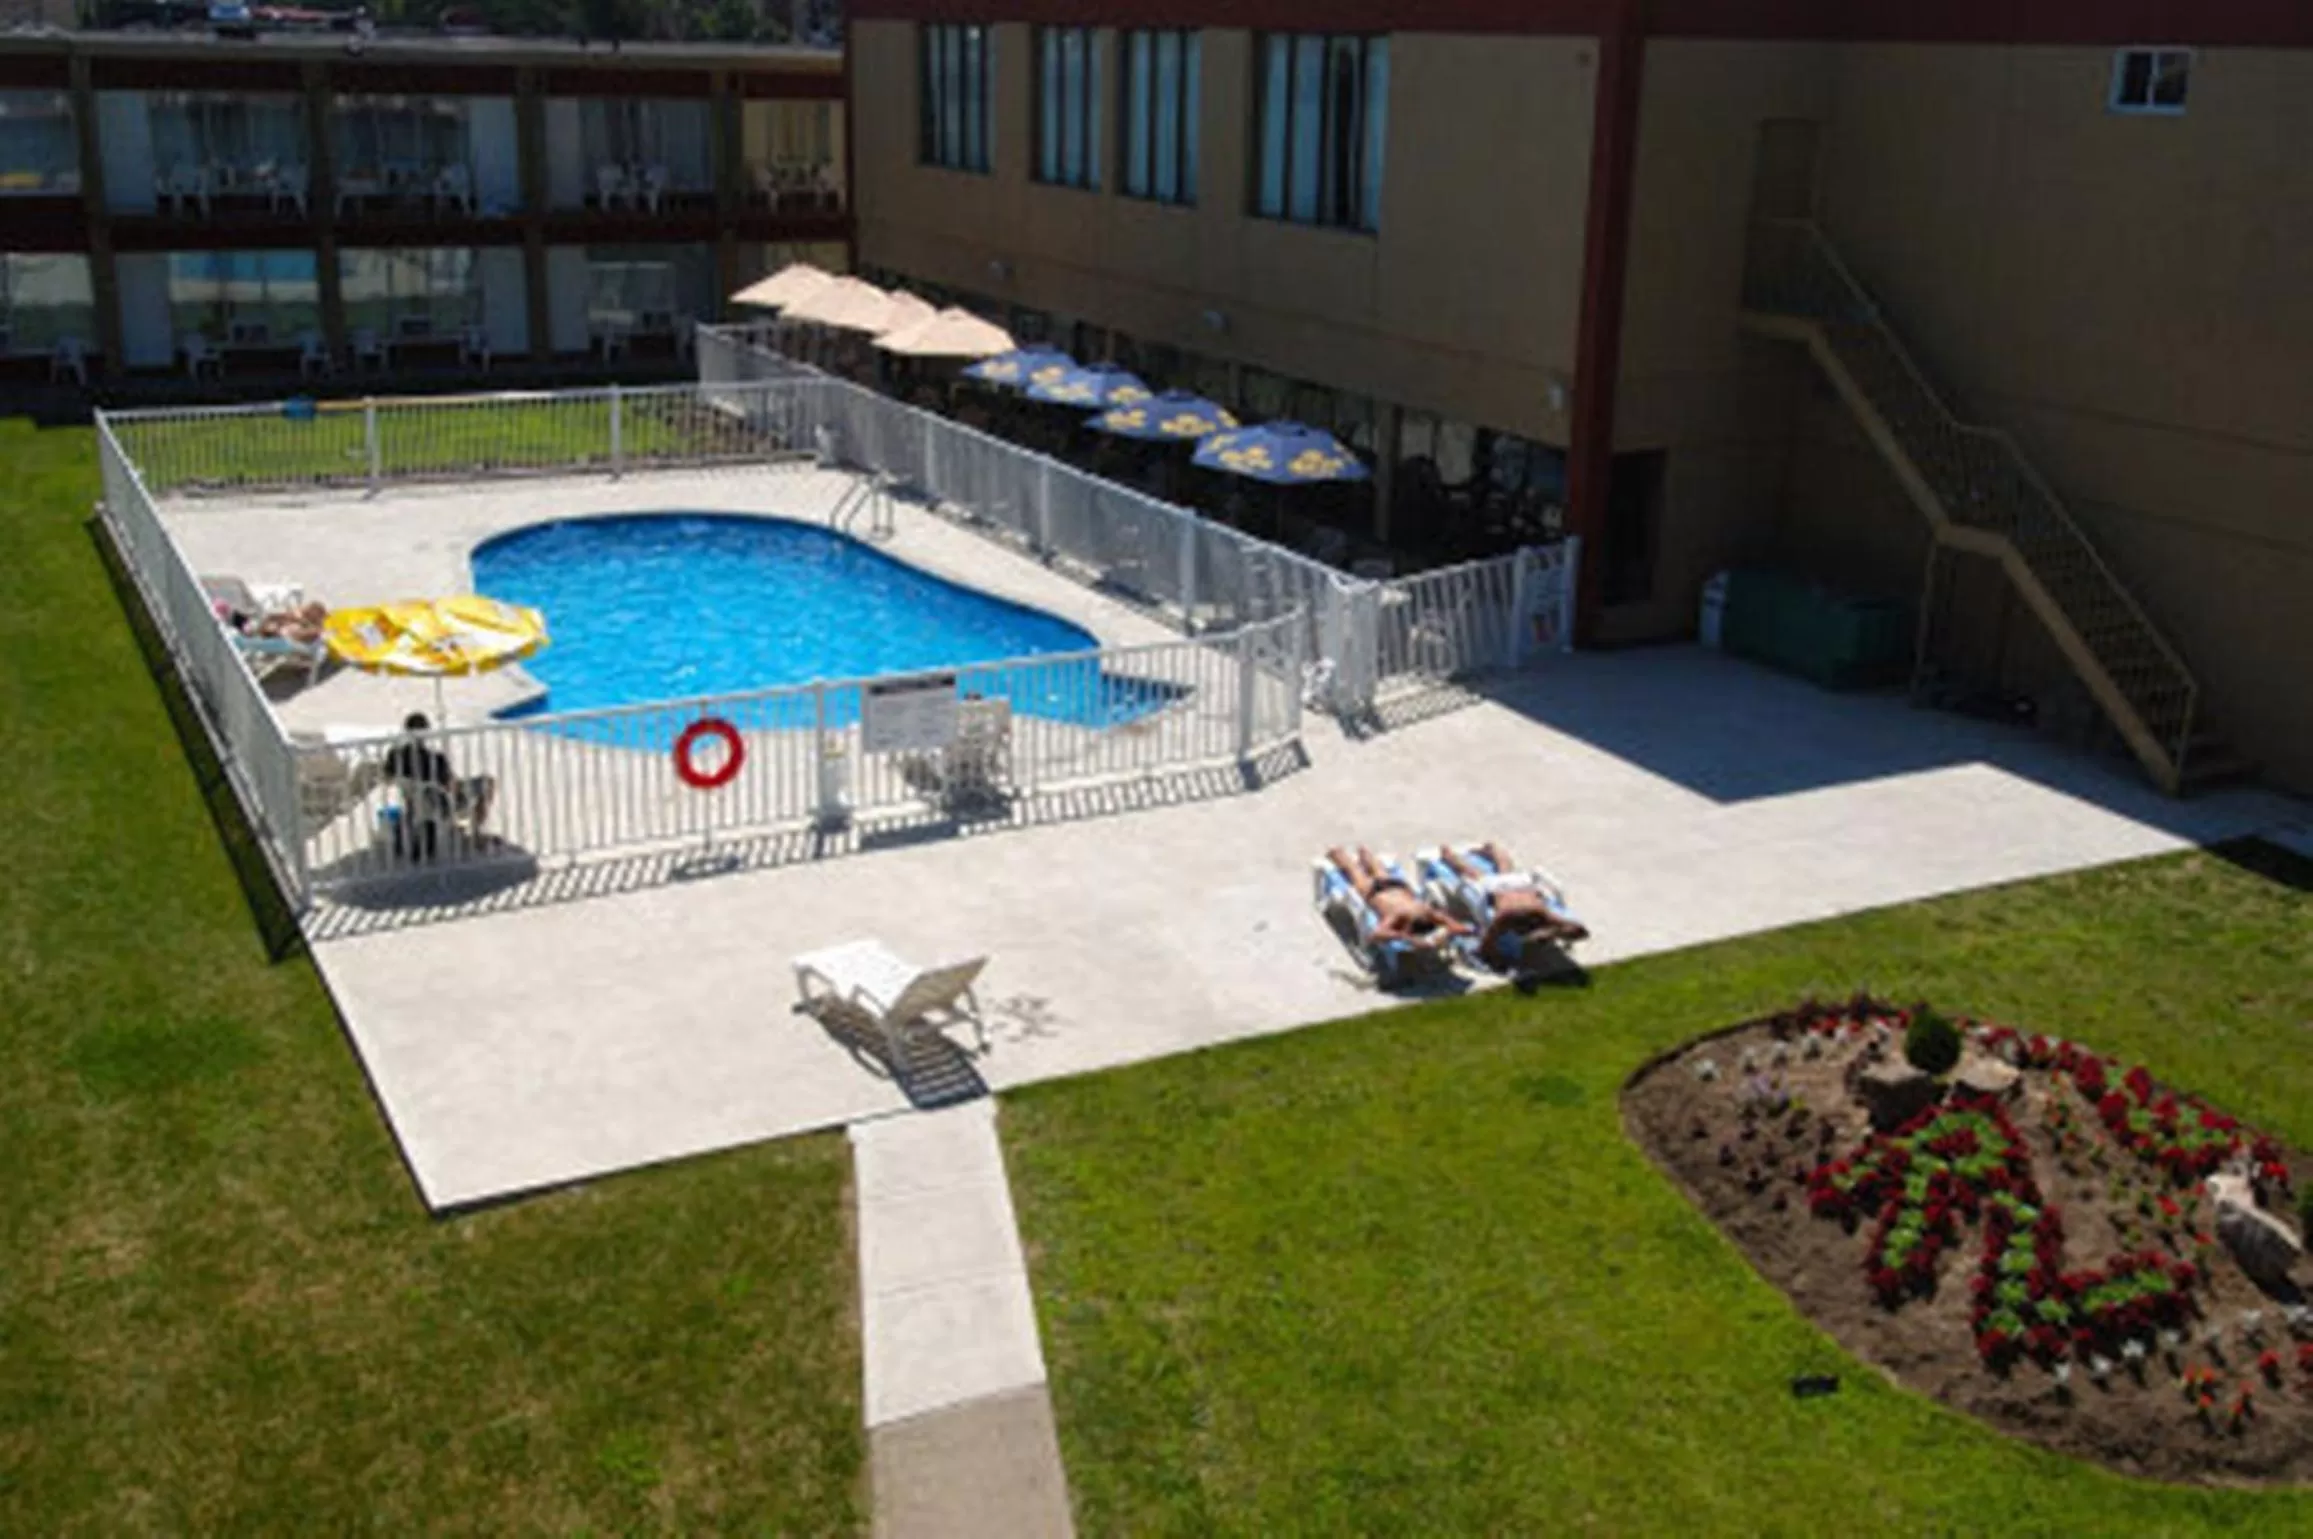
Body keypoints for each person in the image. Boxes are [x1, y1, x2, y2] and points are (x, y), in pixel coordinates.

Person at [1438, 842, 1589, 967]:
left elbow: (1580, 931)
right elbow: (1486, 946)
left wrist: (1550, 932)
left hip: (1513, 886)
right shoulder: (1515, 915)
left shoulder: (1537, 912)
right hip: (1510, 886)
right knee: (1480, 871)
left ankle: (1477, 851)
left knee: (1492, 869)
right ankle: (1453, 854)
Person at [381, 712, 495, 858]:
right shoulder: (435, 759)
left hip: (414, 803)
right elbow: (451, 786)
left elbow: (387, 778)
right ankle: (476, 832)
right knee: (488, 782)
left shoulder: (394, 755)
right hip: (443, 804)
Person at [1326, 846, 1471, 947]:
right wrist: (1402, 936)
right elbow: (1376, 934)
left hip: (1395, 886)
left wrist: (1448, 931)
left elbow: (1458, 927)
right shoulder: (1404, 914)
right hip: (1375, 891)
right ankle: (1337, 853)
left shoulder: (1424, 911)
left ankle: (1363, 851)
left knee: (1376, 869)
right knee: (1353, 870)